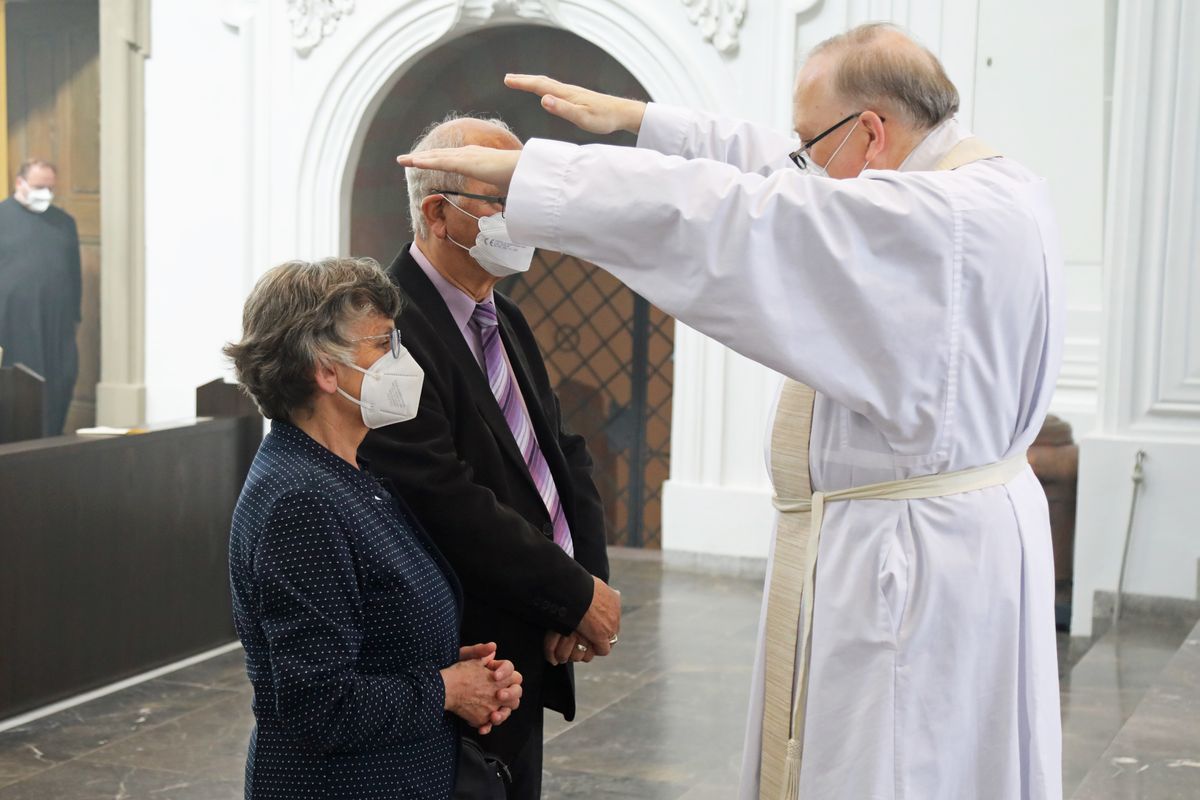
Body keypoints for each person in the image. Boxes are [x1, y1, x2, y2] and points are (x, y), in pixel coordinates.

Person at [396, 23, 1065, 800]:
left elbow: (736, 213)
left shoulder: (922, 220)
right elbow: (781, 168)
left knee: (894, 764)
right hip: (949, 542)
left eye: (810, 143)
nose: (799, 163)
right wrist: (642, 122)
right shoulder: (989, 186)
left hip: (908, 567)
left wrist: (545, 180)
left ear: (874, 131)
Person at [359, 114, 620, 800]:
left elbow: (561, 455)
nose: (524, 220)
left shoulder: (503, 314)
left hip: (528, 631)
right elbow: (442, 493)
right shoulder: (387, 329)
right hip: (460, 644)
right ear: (440, 215)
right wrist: (568, 594)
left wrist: (583, 584)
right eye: (504, 201)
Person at [225, 256, 523, 800]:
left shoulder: (348, 471)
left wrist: (459, 671)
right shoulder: (301, 503)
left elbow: (368, 632)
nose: (402, 362)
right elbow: (318, 706)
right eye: (383, 345)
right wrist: (446, 690)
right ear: (325, 369)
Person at [0, 159, 81, 435]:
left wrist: (74, 315)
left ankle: (51, 439)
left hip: (56, 324)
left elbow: (74, 271)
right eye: (38, 186)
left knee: (60, 381)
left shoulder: (63, 222)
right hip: (12, 324)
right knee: (19, 387)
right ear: (19, 183)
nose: (44, 193)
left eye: (50, 187)